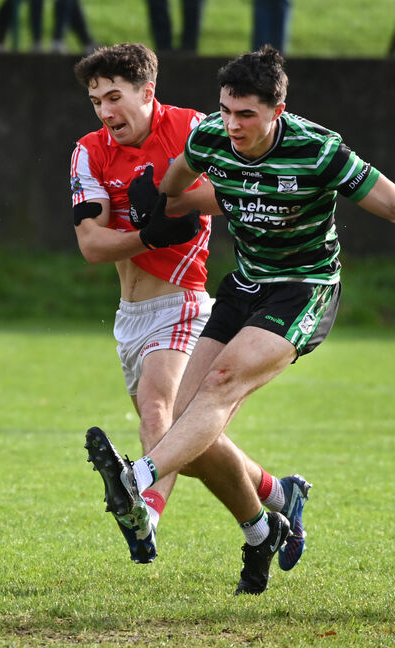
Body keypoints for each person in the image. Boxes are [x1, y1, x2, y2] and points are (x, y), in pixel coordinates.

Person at [85, 46, 395, 595]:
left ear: (278, 109)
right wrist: (161, 207)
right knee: (184, 421)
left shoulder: (318, 150)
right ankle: (269, 521)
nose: (233, 125)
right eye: (226, 110)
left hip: (304, 289)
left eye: (246, 114)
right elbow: (175, 181)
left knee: (220, 385)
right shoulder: (210, 136)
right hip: (245, 285)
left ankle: (139, 481)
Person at [72, 43, 312, 570]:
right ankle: (274, 503)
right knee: (191, 444)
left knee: (162, 412)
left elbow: (235, 187)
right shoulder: (89, 151)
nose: (106, 112)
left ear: (147, 92)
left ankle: (144, 511)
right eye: (96, 101)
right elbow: (92, 245)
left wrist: (171, 204)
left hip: (184, 303)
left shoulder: (192, 128)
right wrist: (149, 232)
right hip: (130, 316)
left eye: (115, 97)